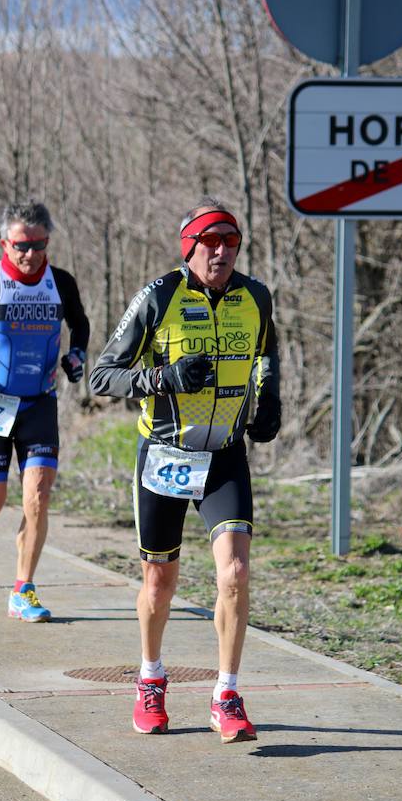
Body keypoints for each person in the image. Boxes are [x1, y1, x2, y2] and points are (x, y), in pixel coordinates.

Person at [89, 196, 281, 742]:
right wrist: (164, 379)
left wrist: (269, 402)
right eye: (210, 243)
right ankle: (150, 680)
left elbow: (266, 356)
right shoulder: (158, 297)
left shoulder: (255, 296)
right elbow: (103, 376)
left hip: (223, 455)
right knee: (159, 581)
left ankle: (226, 693)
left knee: (236, 573)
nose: (221, 252)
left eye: (231, 243)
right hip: (167, 455)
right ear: (189, 247)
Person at [0, 200, 89, 622]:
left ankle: (23, 589)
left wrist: (77, 354)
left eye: (39, 244)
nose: (30, 254)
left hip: (40, 403)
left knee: (38, 498)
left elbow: (80, 322)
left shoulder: (60, 282)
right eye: (21, 245)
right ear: (5, 242)